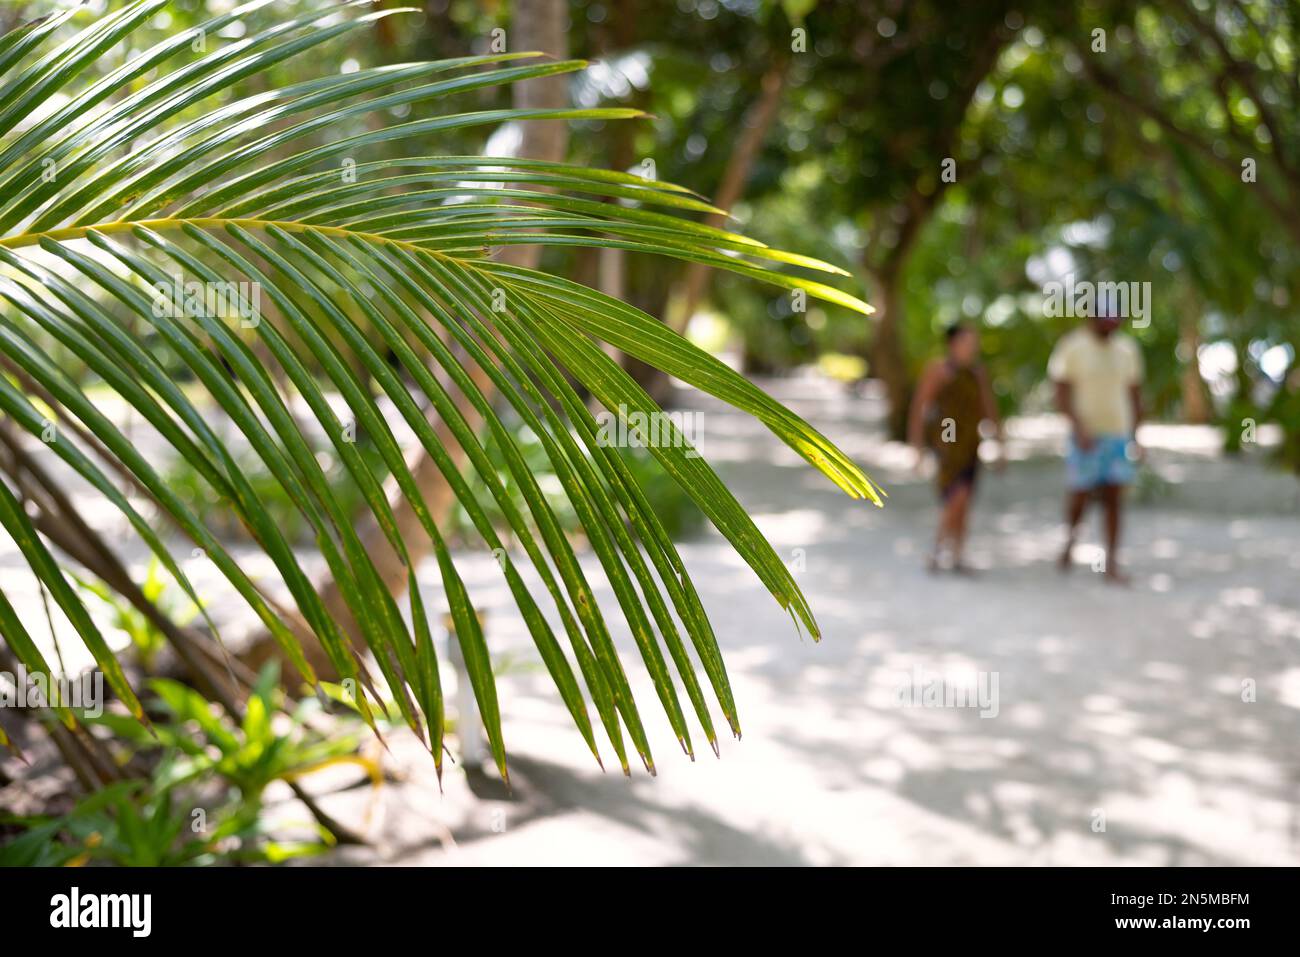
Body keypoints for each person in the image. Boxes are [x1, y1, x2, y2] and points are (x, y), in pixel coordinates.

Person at [1048, 308, 1144, 584]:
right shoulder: (1072, 347)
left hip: (1117, 434)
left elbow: (1135, 394)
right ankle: (1070, 541)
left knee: (1114, 496)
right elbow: (1061, 392)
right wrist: (1078, 427)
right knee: (1080, 494)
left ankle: (1111, 562)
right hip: (1085, 435)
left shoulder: (1127, 350)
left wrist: (1136, 435)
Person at [908, 323, 1004, 573]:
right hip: (946, 444)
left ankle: (957, 554)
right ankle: (939, 550)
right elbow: (919, 407)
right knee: (955, 497)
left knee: (965, 500)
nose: (971, 348)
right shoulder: (938, 370)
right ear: (952, 344)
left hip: (970, 443)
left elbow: (988, 407)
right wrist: (917, 448)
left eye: (974, 343)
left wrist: (1000, 443)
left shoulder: (977, 372)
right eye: (966, 342)